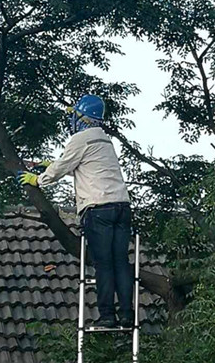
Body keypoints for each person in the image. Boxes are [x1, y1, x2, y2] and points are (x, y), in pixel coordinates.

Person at [17, 95, 134, 328]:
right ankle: (127, 314)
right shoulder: (105, 141)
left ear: (83, 117)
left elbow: (62, 167)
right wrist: (50, 164)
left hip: (98, 208)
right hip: (121, 207)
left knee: (103, 263)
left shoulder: (80, 139)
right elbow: (85, 167)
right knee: (120, 262)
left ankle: (107, 316)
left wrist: (38, 179)